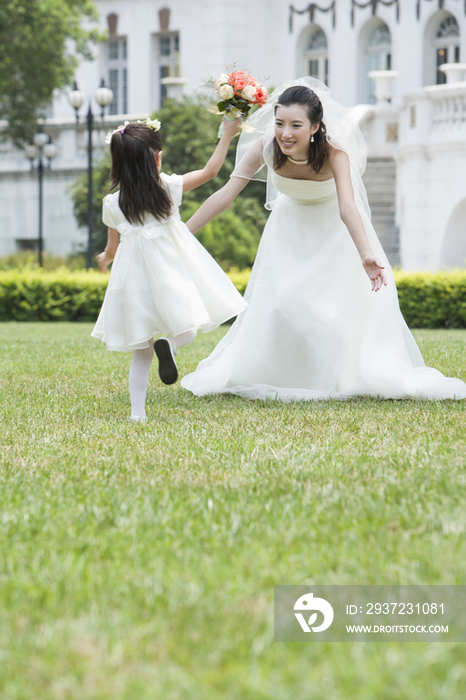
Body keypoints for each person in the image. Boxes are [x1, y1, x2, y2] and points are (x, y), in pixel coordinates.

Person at [181, 78, 466, 401]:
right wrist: (182, 234)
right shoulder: (266, 148)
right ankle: (279, 372)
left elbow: (348, 206)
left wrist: (366, 254)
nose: (285, 133)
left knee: (329, 312)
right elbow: (224, 196)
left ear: (316, 126)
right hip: (289, 231)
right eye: (279, 123)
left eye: (296, 125)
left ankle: (334, 375)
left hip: (335, 233)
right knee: (280, 304)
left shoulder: (335, 154)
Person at [91, 117, 247, 420]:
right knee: (187, 327)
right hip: (170, 271)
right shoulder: (168, 188)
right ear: (157, 158)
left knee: (141, 350)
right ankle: (172, 344)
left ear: (118, 163)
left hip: (133, 280)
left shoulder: (112, 204)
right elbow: (211, 171)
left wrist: (105, 258)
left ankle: (138, 413)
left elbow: (113, 246)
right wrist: (227, 134)